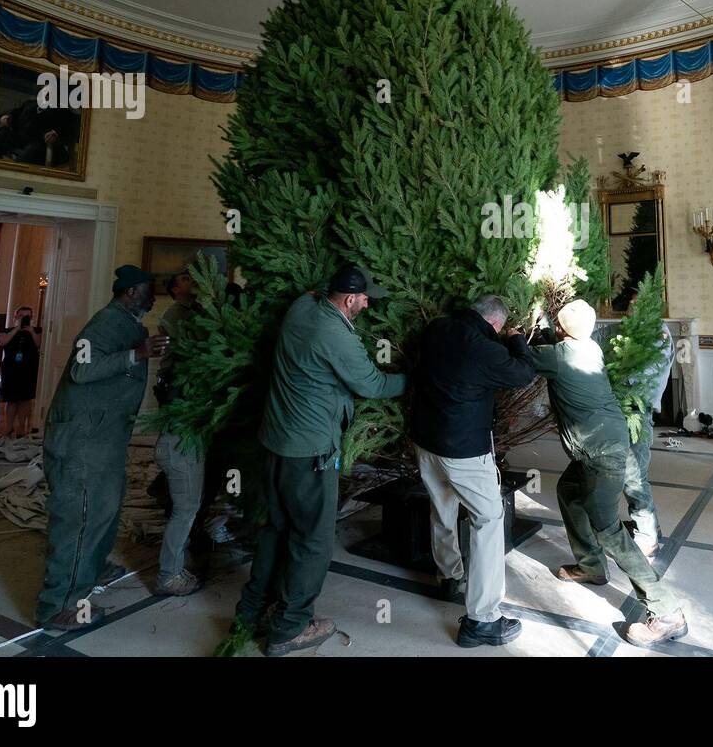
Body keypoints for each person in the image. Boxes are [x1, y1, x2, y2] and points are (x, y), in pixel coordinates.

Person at [231, 263, 406, 656]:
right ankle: (290, 628)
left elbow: (313, 293)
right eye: (363, 298)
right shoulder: (333, 334)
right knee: (313, 540)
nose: (366, 303)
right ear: (347, 299)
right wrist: (415, 380)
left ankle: (250, 613)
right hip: (310, 452)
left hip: (276, 443)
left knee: (276, 529)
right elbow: (372, 385)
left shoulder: (302, 307)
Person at [532, 299, 687, 648]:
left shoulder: (566, 353)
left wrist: (516, 334)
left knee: (610, 530)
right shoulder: (592, 345)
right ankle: (590, 565)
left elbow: (524, 358)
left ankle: (666, 610)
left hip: (603, 449)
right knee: (569, 491)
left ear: (561, 329)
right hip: (597, 444)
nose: (630, 311)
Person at [35, 265, 168, 631]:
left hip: (103, 440)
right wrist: (136, 354)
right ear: (129, 293)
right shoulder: (107, 322)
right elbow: (82, 367)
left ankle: (90, 568)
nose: (153, 296)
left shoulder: (127, 323)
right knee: (79, 518)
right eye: (147, 290)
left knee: (105, 508)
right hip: (82, 443)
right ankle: (58, 605)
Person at [409, 295, 536, 648]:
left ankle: (449, 575)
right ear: (495, 324)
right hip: (463, 449)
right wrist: (517, 341)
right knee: (488, 519)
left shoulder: (436, 328)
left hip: (425, 442)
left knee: (442, 506)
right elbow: (523, 373)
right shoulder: (485, 348)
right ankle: (482, 619)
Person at [152, 269, 204, 597]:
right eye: (185, 278)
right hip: (180, 413)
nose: (192, 280)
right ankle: (168, 573)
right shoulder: (173, 317)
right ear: (174, 288)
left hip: (188, 418)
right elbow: (187, 350)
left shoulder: (199, 311)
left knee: (188, 501)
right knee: (185, 506)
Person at [621, 298, 675, 559]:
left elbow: (640, 375)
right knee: (635, 473)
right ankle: (649, 526)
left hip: (637, 412)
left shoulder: (656, 335)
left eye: (633, 310)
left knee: (634, 475)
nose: (628, 315)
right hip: (633, 409)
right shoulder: (647, 333)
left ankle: (647, 538)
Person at [0, 305, 41, 437]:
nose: (24, 319)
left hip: (29, 367)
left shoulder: (36, 331)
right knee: (11, 399)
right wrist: (17, 329)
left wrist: (31, 332)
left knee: (25, 398)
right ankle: (8, 427)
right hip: (10, 367)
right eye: (21, 316)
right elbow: (1, 342)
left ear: (31, 317)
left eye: (27, 316)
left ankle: (21, 427)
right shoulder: (7, 330)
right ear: (15, 317)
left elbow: (39, 344)